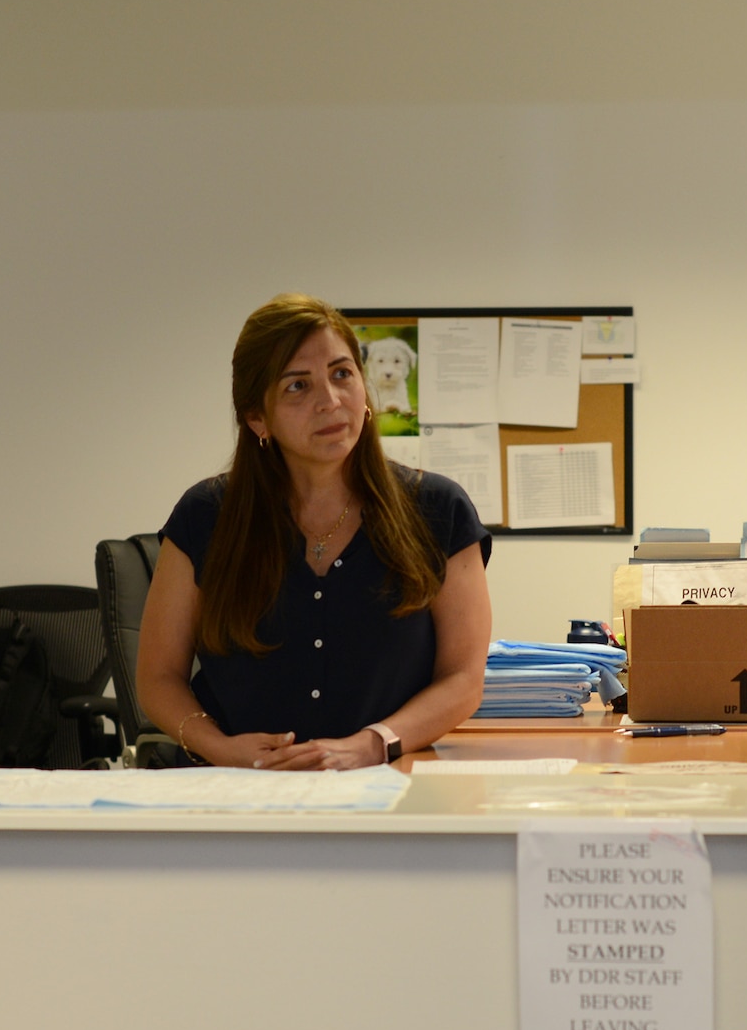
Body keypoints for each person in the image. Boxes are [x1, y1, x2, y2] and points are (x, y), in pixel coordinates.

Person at [138, 294, 490, 769]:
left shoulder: (437, 510)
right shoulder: (205, 516)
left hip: (387, 786)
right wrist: (222, 748)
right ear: (257, 417)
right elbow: (158, 678)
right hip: (235, 789)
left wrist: (371, 744)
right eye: (297, 386)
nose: (330, 401)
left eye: (342, 374)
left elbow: (463, 678)